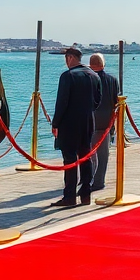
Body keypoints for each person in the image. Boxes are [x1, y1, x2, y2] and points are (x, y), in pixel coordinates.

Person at [51, 47, 100, 207]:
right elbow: (97, 102)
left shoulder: (67, 76)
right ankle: (86, 194)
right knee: (86, 157)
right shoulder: (94, 75)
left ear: (70, 58)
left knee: (70, 159)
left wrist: (55, 123)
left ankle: (69, 196)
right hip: (88, 121)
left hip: (69, 123)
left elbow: (62, 102)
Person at [88, 53, 119, 193]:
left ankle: (89, 178)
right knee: (103, 154)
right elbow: (116, 100)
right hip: (107, 121)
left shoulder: (87, 78)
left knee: (88, 153)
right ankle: (99, 180)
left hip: (90, 120)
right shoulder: (112, 80)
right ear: (103, 64)